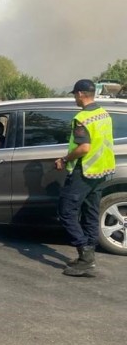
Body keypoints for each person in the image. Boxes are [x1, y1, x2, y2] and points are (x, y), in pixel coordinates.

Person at [55, 79, 115, 277]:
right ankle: (87, 256)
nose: (74, 98)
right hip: (101, 171)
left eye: (74, 94)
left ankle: (86, 255)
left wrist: (64, 159)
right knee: (90, 212)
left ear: (81, 94)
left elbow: (84, 147)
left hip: (85, 171)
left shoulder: (82, 117)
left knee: (66, 212)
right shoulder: (104, 114)